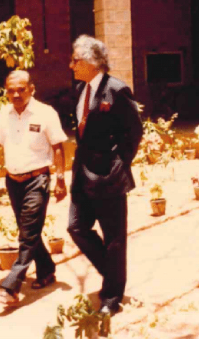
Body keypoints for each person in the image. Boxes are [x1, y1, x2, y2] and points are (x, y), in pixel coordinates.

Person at [0, 70, 68, 306]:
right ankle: (46, 270)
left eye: (21, 89)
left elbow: (57, 147)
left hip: (38, 179)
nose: (16, 94)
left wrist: (61, 179)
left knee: (27, 235)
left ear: (31, 89)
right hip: (13, 181)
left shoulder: (46, 113)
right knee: (29, 231)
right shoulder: (4, 114)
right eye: (11, 90)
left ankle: (11, 287)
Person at [66, 35, 143, 329]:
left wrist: (119, 165)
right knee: (76, 227)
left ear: (91, 62)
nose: (71, 65)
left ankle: (111, 297)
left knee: (114, 238)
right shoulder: (80, 90)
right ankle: (114, 275)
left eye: (75, 60)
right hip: (82, 174)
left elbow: (133, 133)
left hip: (109, 175)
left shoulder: (117, 90)